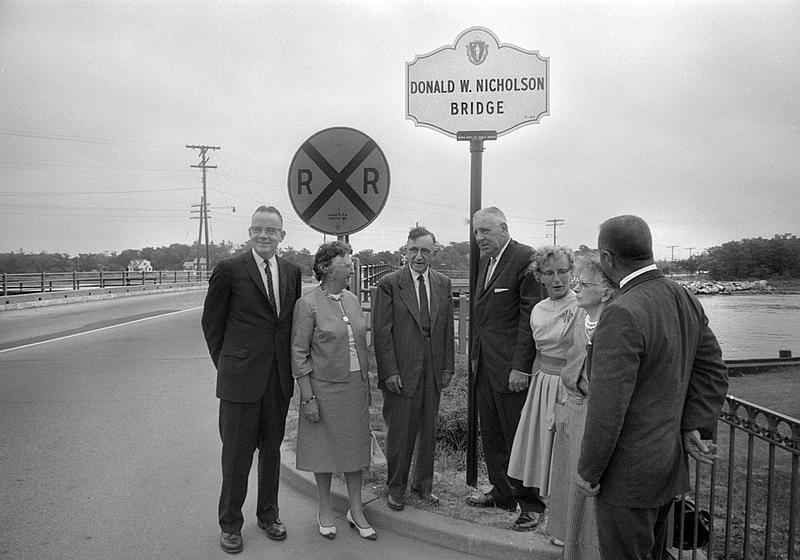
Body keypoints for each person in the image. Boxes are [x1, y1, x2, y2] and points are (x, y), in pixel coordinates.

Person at [577, 215, 729, 560]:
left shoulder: (622, 312)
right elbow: (713, 371)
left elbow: (608, 407)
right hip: (667, 464)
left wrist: (589, 470)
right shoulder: (682, 296)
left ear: (608, 259)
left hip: (627, 474)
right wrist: (693, 424)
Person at [201, 205, 303, 554]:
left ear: (282, 236)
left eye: (271, 230)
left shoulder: (292, 271)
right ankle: (230, 524)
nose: (264, 235)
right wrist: (228, 365)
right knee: (236, 456)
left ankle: (268, 515)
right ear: (249, 232)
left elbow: (288, 324)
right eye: (258, 229)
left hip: (277, 380)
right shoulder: (229, 269)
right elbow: (212, 324)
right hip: (239, 381)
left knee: (271, 452)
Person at [290, 241, 376, 541]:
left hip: (355, 387)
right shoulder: (308, 304)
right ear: (326, 267)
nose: (351, 264)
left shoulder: (352, 299)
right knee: (323, 451)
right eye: (345, 260)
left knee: (355, 451)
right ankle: (325, 509)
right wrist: (308, 397)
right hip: (323, 390)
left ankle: (356, 509)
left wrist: (367, 385)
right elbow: (298, 354)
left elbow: (363, 345)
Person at [466, 206, 545, 531]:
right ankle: (501, 492)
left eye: (484, 231)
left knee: (518, 435)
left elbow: (530, 318)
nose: (479, 238)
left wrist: (521, 368)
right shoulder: (488, 261)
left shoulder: (525, 259)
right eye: (475, 232)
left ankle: (530, 503)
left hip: (512, 370)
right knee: (494, 434)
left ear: (503, 227)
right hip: (485, 365)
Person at [373, 227, 455, 511]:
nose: (419, 256)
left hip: (433, 369)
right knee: (400, 431)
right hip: (401, 369)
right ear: (405, 251)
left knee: (427, 429)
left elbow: (445, 328)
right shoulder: (390, 284)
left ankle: (423, 486)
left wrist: (447, 367)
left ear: (434, 253)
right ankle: (396, 487)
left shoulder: (443, 283)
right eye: (414, 250)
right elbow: (381, 333)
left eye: (425, 251)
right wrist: (389, 371)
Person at [508, 245, 578, 538]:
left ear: (572, 273)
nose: (557, 278)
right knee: (540, 447)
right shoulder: (537, 309)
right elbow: (534, 348)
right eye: (549, 273)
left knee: (565, 453)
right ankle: (536, 507)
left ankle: (565, 520)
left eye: (563, 271)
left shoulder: (580, 306)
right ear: (540, 277)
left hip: (569, 385)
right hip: (542, 384)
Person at [549, 253, 615, 558]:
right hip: (571, 406)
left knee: (587, 482)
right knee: (567, 481)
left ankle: (589, 549)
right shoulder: (579, 316)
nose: (574, 288)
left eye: (583, 283)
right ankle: (568, 540)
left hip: (594, 411)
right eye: (575, 281)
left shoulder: (615, 321)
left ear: (605, 291)